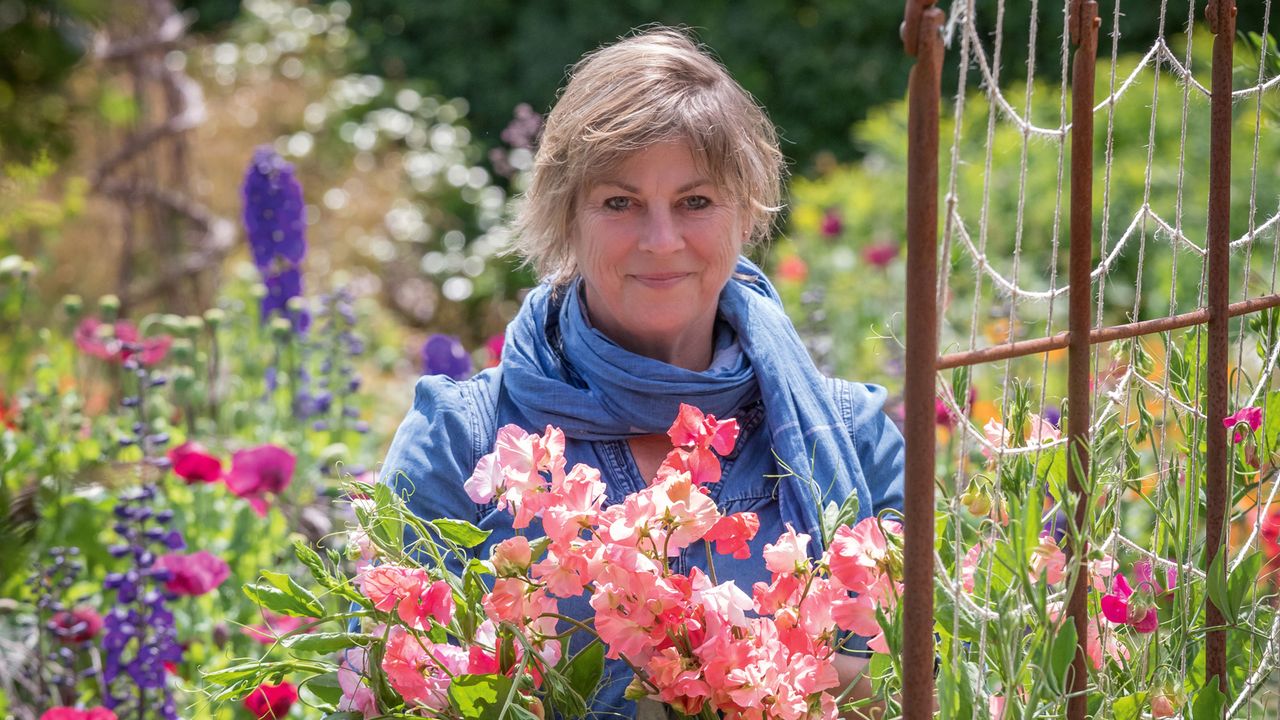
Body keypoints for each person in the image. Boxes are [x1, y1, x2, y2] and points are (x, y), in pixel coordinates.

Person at [380, 27, 905, 718]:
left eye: (696, 202)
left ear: (746, 212)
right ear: (566, 216)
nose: (661, 242)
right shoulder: (460, 438)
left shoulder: (854, 436)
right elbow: (389, 688)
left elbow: (930, 678)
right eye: (619, 203)